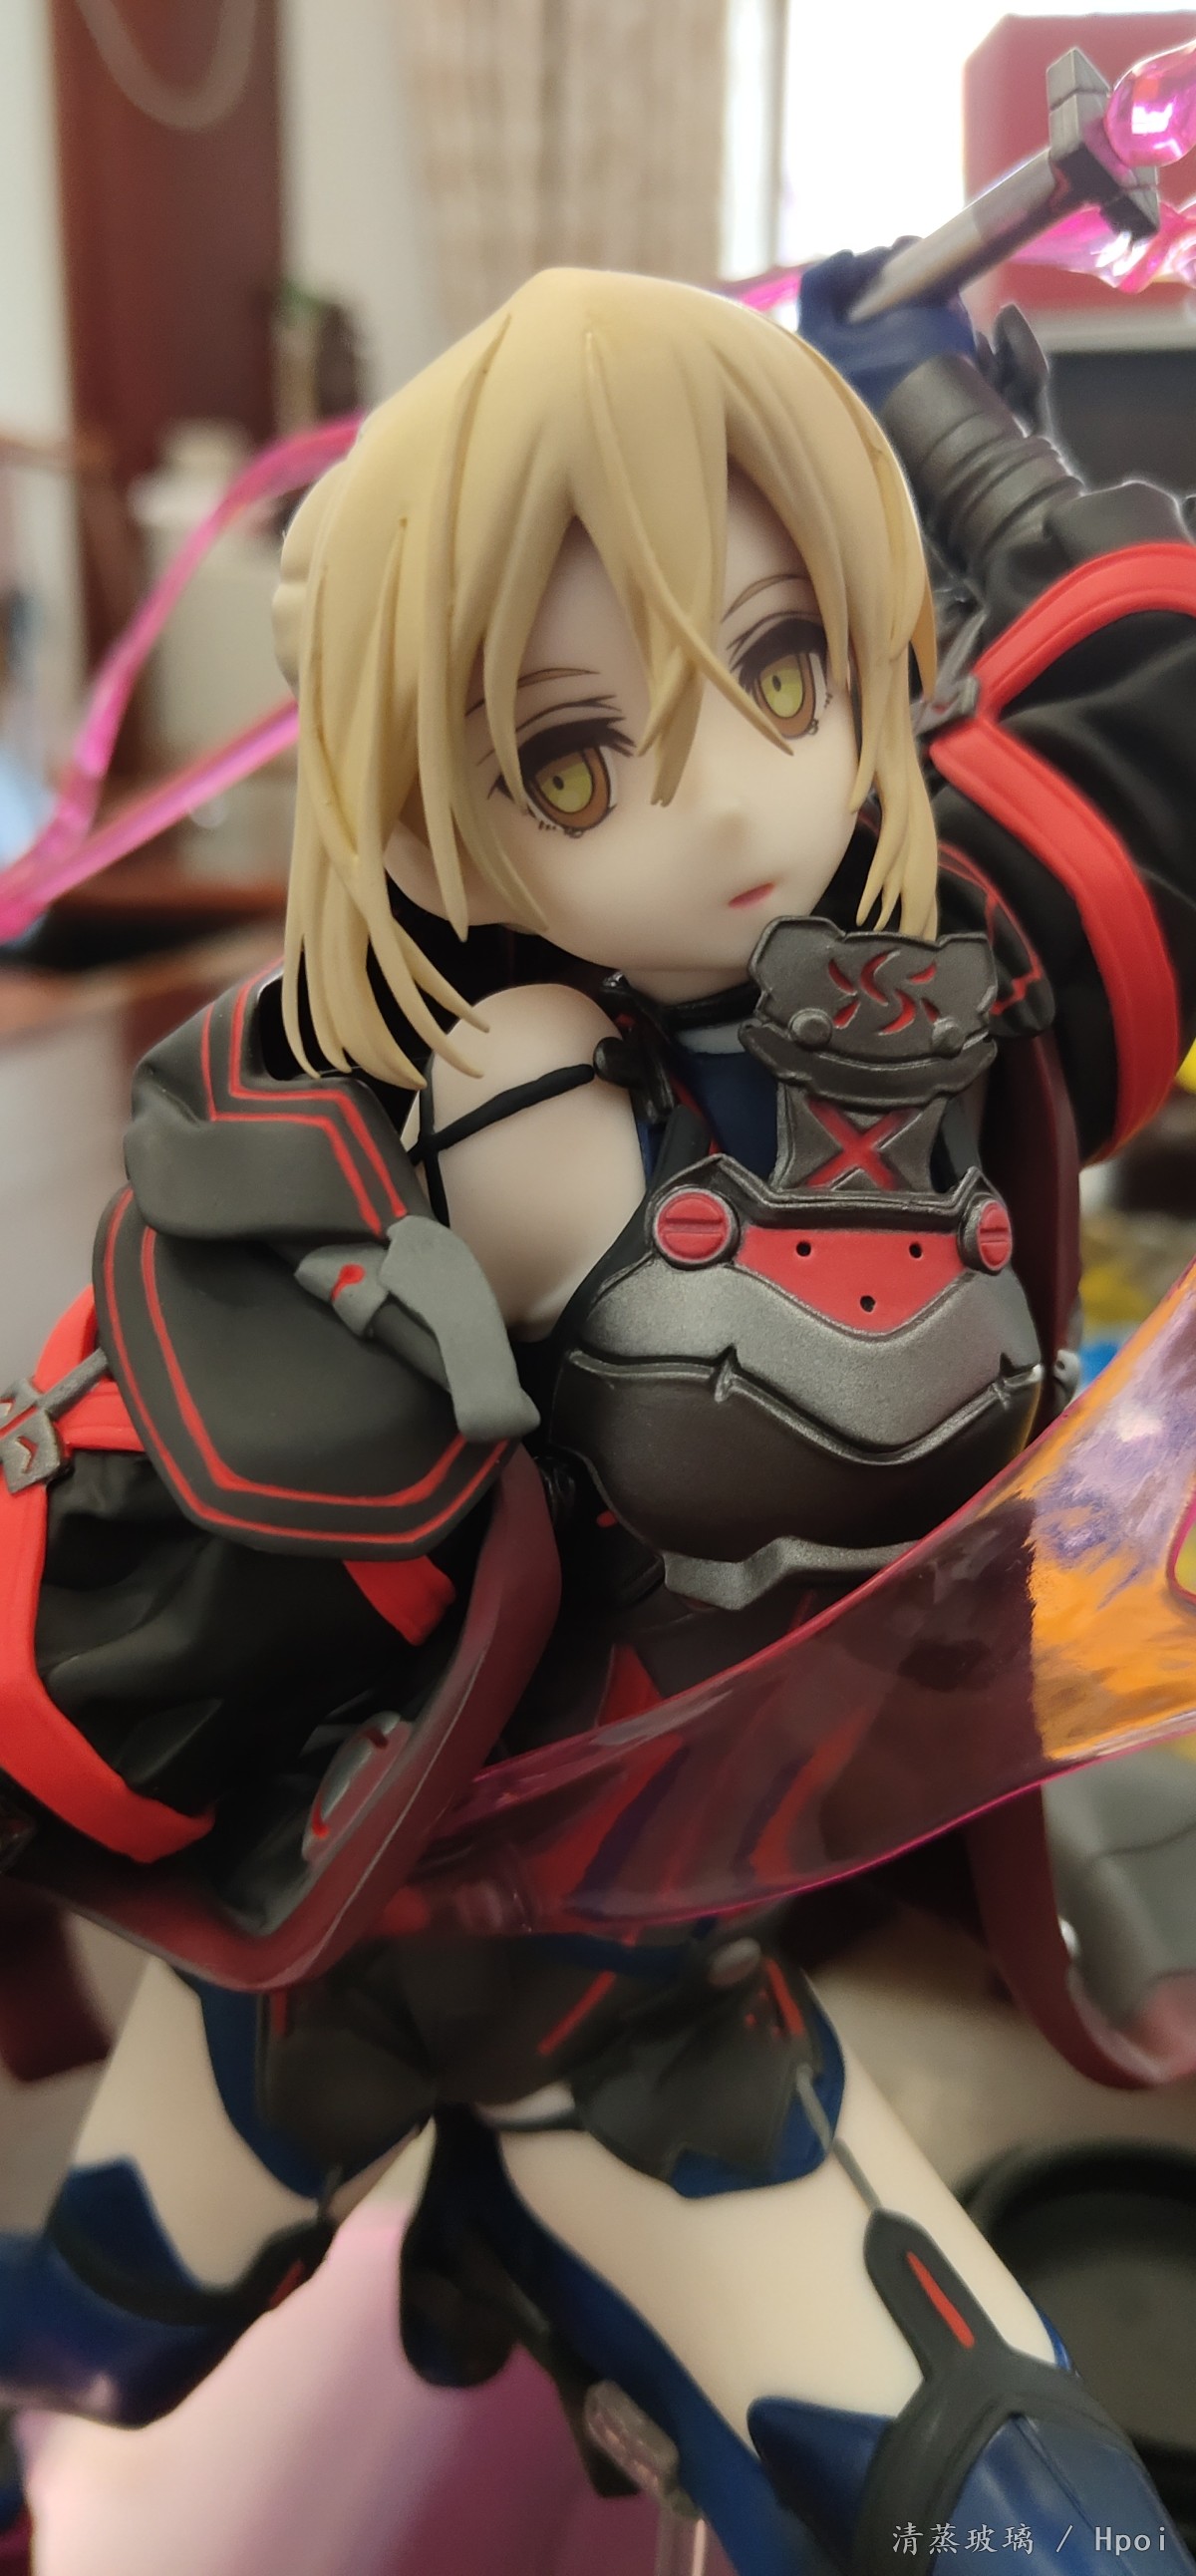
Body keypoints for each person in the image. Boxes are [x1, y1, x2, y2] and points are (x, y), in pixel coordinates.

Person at [1, 262, 1196, 2574]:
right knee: (91, 2342)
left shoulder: (951, 981)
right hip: (349, 1966)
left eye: (782, 663)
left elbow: (1168, 702)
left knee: (1035, 2533)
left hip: (669, 2008)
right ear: (449, 809)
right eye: (574, 757)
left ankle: (534, 2260)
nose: (732, 797)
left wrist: (955, 438)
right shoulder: (396, 1118)